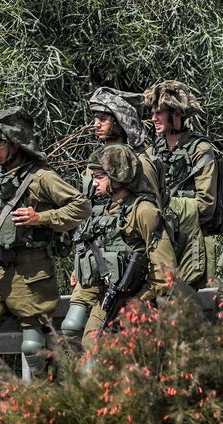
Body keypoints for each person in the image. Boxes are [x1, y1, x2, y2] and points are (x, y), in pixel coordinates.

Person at [0, 106, 91, 384]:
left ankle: (50, 401)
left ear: (16, 144)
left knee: (33, 347)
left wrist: (41, 217)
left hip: (31, 275)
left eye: (0, 143)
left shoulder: (41, 178)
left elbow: (81, 206)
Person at [62, 87, 160, 343]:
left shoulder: (140, 164)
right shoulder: (95, 163)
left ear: (120, 120)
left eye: (103, 119)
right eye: (95, 118)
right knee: (72, 329)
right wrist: (79, 262)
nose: (96, 125)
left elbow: (152, 217)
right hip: (94, 261)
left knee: (101, 340)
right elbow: (87, 216)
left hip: (126, 267)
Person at [75, 144, 177, 347]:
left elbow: (165, 271)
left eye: (100, 177)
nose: (94, 183)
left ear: (118, 177)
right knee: (91, 347)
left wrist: (136, 303)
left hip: (140, 304)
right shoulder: (105, 210)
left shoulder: (144, 211)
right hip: (109, 298)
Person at [144, 81, 219, 288]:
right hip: (162, 242)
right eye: (153, 112)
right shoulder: (152, 152)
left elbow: (206, 206)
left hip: (193, 243)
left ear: (176, 114)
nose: (153, 118)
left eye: (159, 113)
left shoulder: (200, 149)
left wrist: (166, 205)